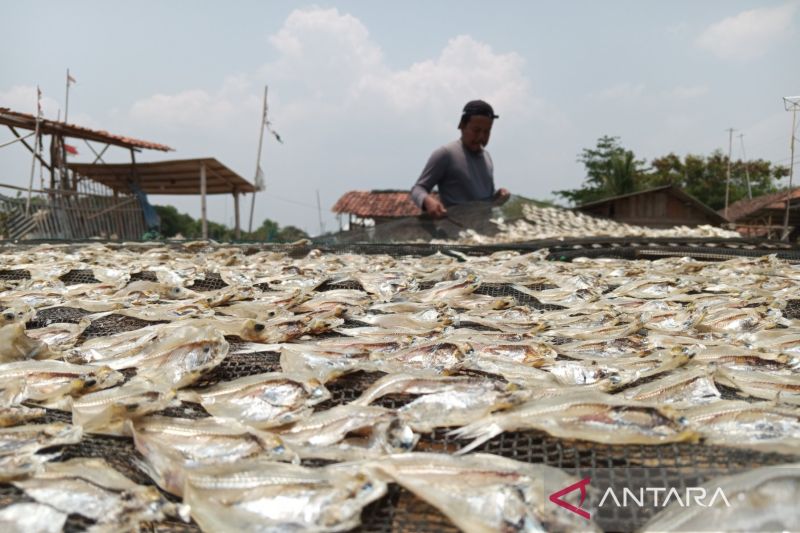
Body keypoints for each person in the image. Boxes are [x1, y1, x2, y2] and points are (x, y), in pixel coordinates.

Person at [410, 99, 510, 218]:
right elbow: (418, 189)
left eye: (487, 132)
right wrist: (427, 201)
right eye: (476, 130)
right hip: (457, 232)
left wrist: (497, 196)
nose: (481, 137)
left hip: (484, 233)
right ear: (462, 126)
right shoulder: (446, 154)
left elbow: (485, 200)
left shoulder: (487, 157)